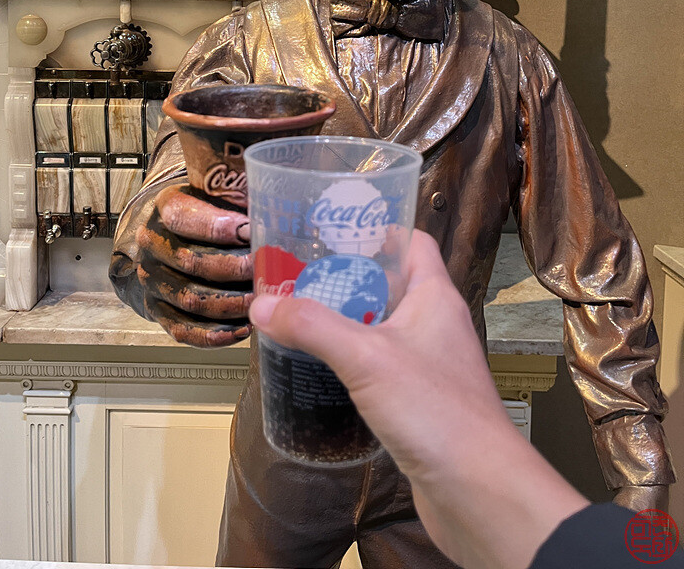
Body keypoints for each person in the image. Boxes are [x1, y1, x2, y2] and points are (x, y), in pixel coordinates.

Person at [111, 0, 674, 569]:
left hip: (443, 445)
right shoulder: (247, 45)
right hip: (289, 441)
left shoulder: (512, 61)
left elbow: (600, 269)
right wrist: (154, 243)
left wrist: (638, 463)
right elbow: (165, 189)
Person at [249, 232, 684, 569]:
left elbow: (596, 261)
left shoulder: (515, 127)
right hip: (285, 440)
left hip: (434, 452)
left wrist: (640, 469)